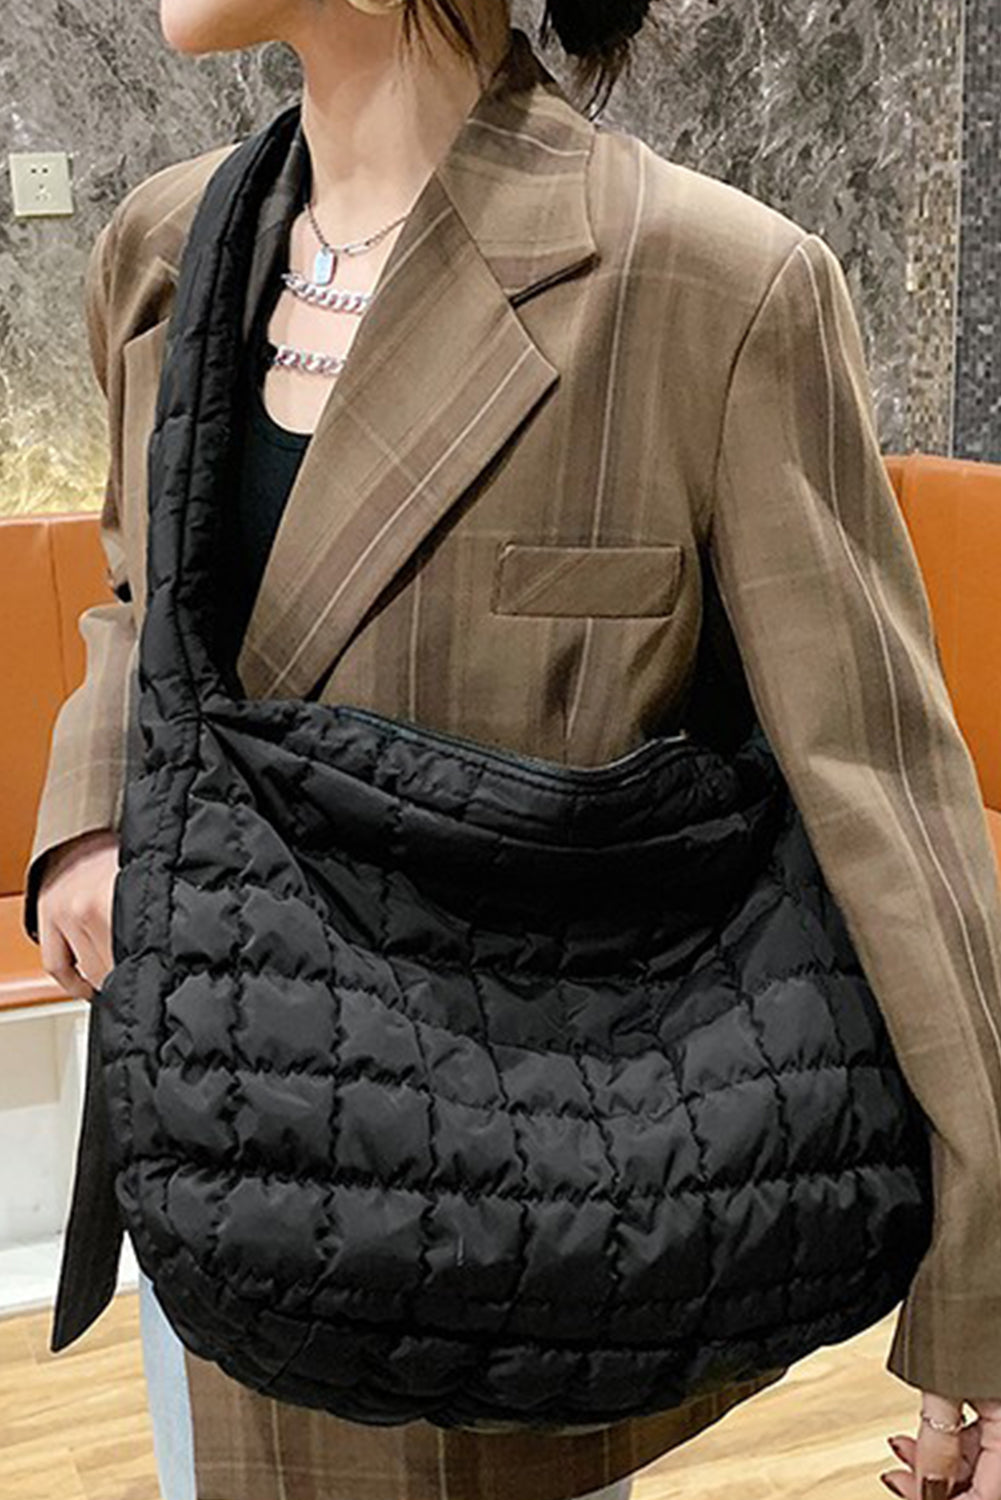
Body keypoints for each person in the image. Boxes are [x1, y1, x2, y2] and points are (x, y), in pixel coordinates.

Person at [25, 0, 1001, 1497]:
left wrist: (984, 1319)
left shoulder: (708, 281)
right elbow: (144, 594)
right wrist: (96, 809)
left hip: (528, 1206)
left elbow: (880, 786)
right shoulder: (174, 245)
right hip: (224, 1144)